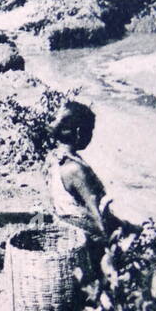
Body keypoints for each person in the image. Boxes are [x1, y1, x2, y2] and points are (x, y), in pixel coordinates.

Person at [46, 101, 140, 266]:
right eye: (90, 130)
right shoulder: (76, 169)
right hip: (85, 238)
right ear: (79, 133)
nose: (91, 135)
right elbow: (99, 218)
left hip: (66, 226)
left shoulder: (55, 157)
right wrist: (126, 230)